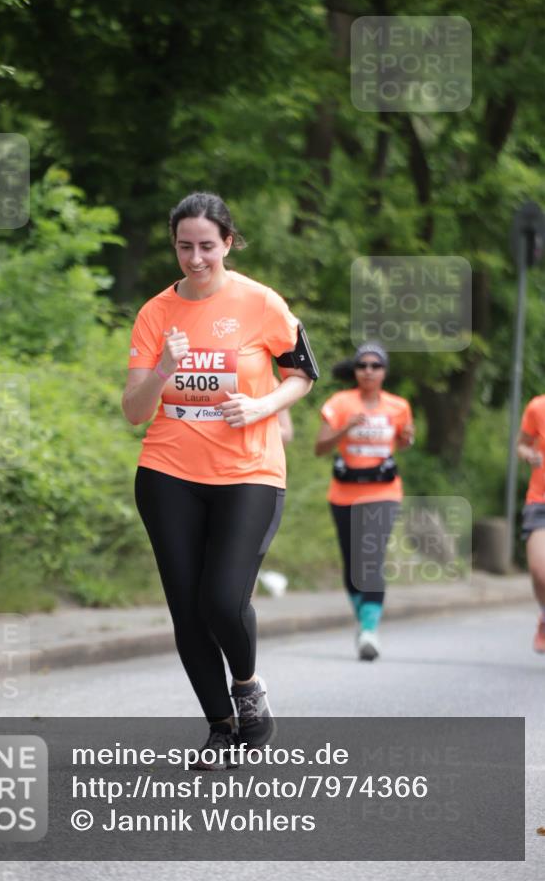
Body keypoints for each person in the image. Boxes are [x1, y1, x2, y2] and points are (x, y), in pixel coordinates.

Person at [122, 192, 317, 765]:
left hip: (248, 471)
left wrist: (261, 407)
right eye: (185, 246)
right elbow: (135, 411)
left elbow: (302, 374)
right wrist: (164, 369)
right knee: (187, 608)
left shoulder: (261, 303)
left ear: (228, 243)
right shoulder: (156, 313)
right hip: (168, 472)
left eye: (207, 245)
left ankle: (249, 687)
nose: (196, 258)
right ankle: (222, 727)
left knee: (222, 599)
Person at [314, 342, 414, 661]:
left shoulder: (398, 406)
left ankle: (370, 630)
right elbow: (319, 447)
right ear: (355, 371)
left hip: (383, 492)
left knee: (371, 556)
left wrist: (407, 439)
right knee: (352, 563)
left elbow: (401, 441)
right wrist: (346, 427)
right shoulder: (340, 403)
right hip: (344, 493)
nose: (369, 371)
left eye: (375, 366)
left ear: (385, 372)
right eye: (363, 366)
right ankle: (364, 618)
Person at [517, 393, 545, 654]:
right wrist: (529, 455)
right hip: (540, 501)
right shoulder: (537, 406)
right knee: (539, 571)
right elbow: (522, 444)